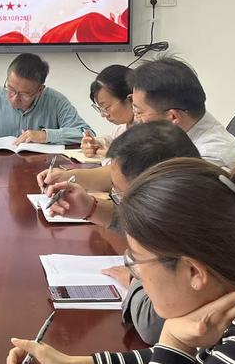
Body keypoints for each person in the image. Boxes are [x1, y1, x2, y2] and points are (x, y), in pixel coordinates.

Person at [7, 157, 235, 364]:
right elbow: (190, 361)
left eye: (137, 262)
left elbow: (185, 355)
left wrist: (173, 340)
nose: (135, 274)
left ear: (194, 272)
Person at [46, 121, 200, 344]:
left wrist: (134, 278)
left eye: (120, 195)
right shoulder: (193, 200)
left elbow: (152, 324)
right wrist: (90, 209)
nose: (119, 202)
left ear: (158, 191)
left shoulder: (195, 231)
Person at [0, 53, 90, 146]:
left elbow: (85, 133)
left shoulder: (56, 101)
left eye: (24, 94)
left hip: (43, 171)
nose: (15, 98)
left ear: (40, 90)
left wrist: (45, 136)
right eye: (10, 89)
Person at [131, 57, 235, 169]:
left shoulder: (205, 161)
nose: (136, 119)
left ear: (173, 117)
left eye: (138, 112)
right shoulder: (191, 119)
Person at [81, 65, 134, 158]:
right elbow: (111, 139)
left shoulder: (149, 131)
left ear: (130, 99)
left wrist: (113, 157)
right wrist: (96, 144)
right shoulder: (126, 126)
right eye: (100, 109)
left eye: (106, 107)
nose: (104, 115)